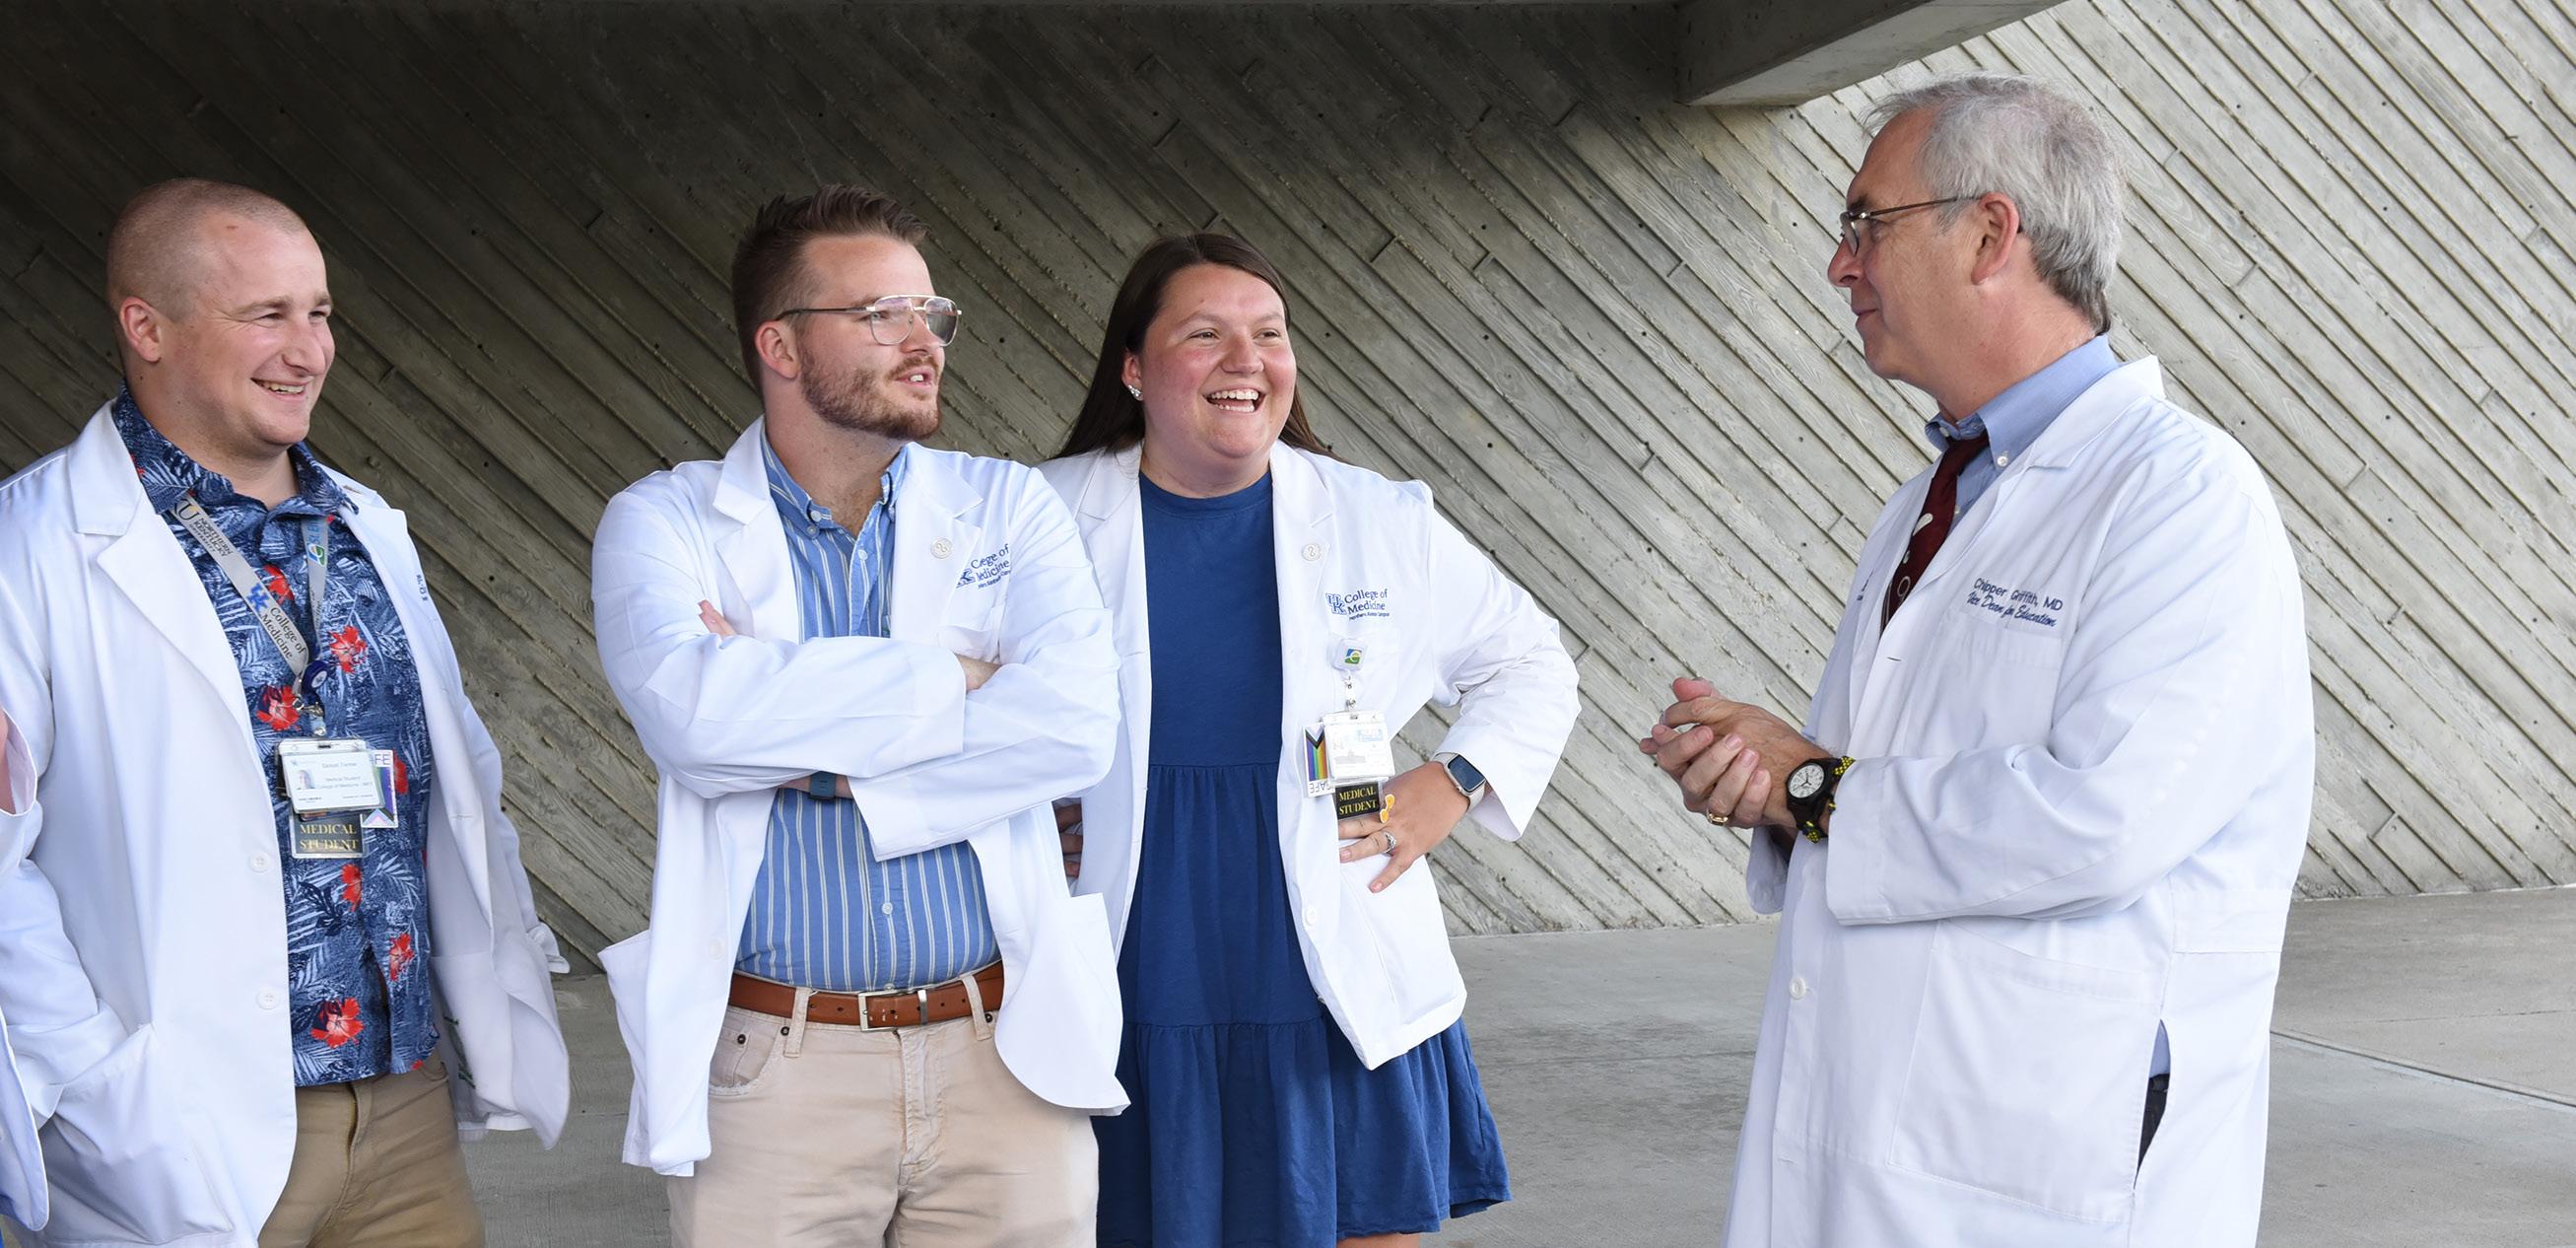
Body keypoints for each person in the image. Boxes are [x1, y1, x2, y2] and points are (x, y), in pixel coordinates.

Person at [1642, 72, 2314, 1247]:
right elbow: (1861, 780)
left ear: (1991, 234)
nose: (1839, 264)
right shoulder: (1932, 498)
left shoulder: (2179, 495)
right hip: (1878, 1120)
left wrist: (1810, 785)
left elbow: (2103, 820)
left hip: (2037, 1150)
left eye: (1865, 223)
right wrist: (1770, 782)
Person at [0, 178, 571, 1247]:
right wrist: (93, 1081)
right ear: (147, 328)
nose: (308, 351)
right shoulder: (28, 551)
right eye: (267, 314)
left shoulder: (365, 528)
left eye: (319, 313)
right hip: (184, 1131)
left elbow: (460, 783)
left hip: (403, 1114)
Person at [589, 184, 1125, 1247]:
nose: (924, 342)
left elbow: (1074, 727)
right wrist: (962, 678)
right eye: (881, 315)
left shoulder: (1008, 505)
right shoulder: (663, 520)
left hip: (1005, 1057)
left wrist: (819, 755)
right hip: (774, 1073)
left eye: (932, 313)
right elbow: (698, 724)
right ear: (781, 346)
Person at [1044, 234, 1581, 1248]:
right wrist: (1021, 816)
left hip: (1332, 941)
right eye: (1205, 335)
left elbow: (1530, 660)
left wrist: (1453, 780)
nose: (1246, 360)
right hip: (1136, 943)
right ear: (1133, 367)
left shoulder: (1379, 517)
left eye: (1269, 334)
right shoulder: (1038, 515)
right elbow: (948, 694)